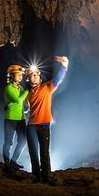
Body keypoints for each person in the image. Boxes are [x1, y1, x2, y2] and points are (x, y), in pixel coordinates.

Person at [26, 55, 69, 184]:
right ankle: (36, 176)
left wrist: (65, 64)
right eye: (31, 75)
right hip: (31, 125)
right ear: (28, 78)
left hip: (44, 124)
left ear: (39, 76)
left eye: (36, 75)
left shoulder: (46, 87)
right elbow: (26, 109)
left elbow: (58, 79)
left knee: (44, 152)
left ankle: (47, 176)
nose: (34, 77)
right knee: (33, 152)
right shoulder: (27, 93)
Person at [3, 64, 28, 175]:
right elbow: (18, 100)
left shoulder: (20, 88)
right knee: (9, 142)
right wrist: (27, 90)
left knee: (22, 141)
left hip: (21, 118)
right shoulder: (8, 88)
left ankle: (13, 161)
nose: (20, 76)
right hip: (11, 119)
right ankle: (7, 164)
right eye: (18, 74)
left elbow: (24, 101)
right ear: (11, 76)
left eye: (21, 75)